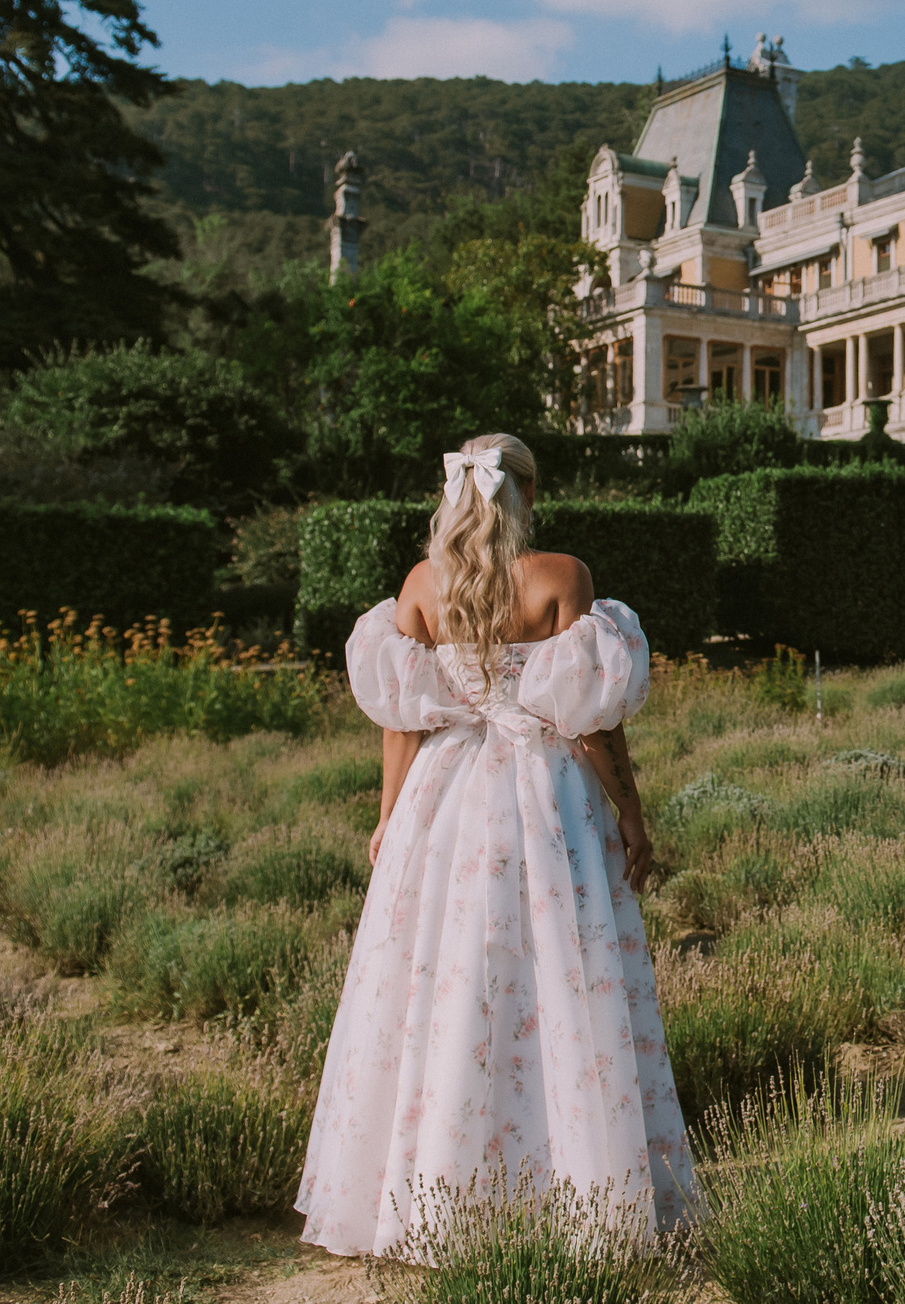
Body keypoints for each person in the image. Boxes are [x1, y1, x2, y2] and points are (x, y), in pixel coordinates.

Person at [296, 433, 694, 1258]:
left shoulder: (419, 587)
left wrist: (388, 816)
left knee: (442, 988)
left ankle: (432, 1193)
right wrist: (631, 814)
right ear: (529, 496)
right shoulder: (561, 577)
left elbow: (403, 720)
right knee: (555, 980)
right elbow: (592, 721)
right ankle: (573, 1187)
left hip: (441, 805)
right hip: (543, 801)